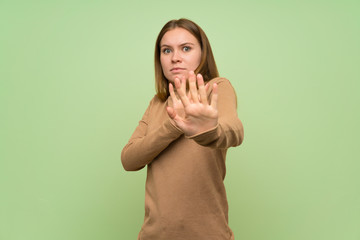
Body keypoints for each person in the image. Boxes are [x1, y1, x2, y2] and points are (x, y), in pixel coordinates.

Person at [121, 18, 244, 240]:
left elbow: (233, 131)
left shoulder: (216, 88)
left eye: (186, 48)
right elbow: (129, 159)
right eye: (166, 50)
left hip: (208, 235)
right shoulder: (157, 104)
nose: (175, 57)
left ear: (202, 53)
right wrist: (173, 126)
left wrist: (208, 131)